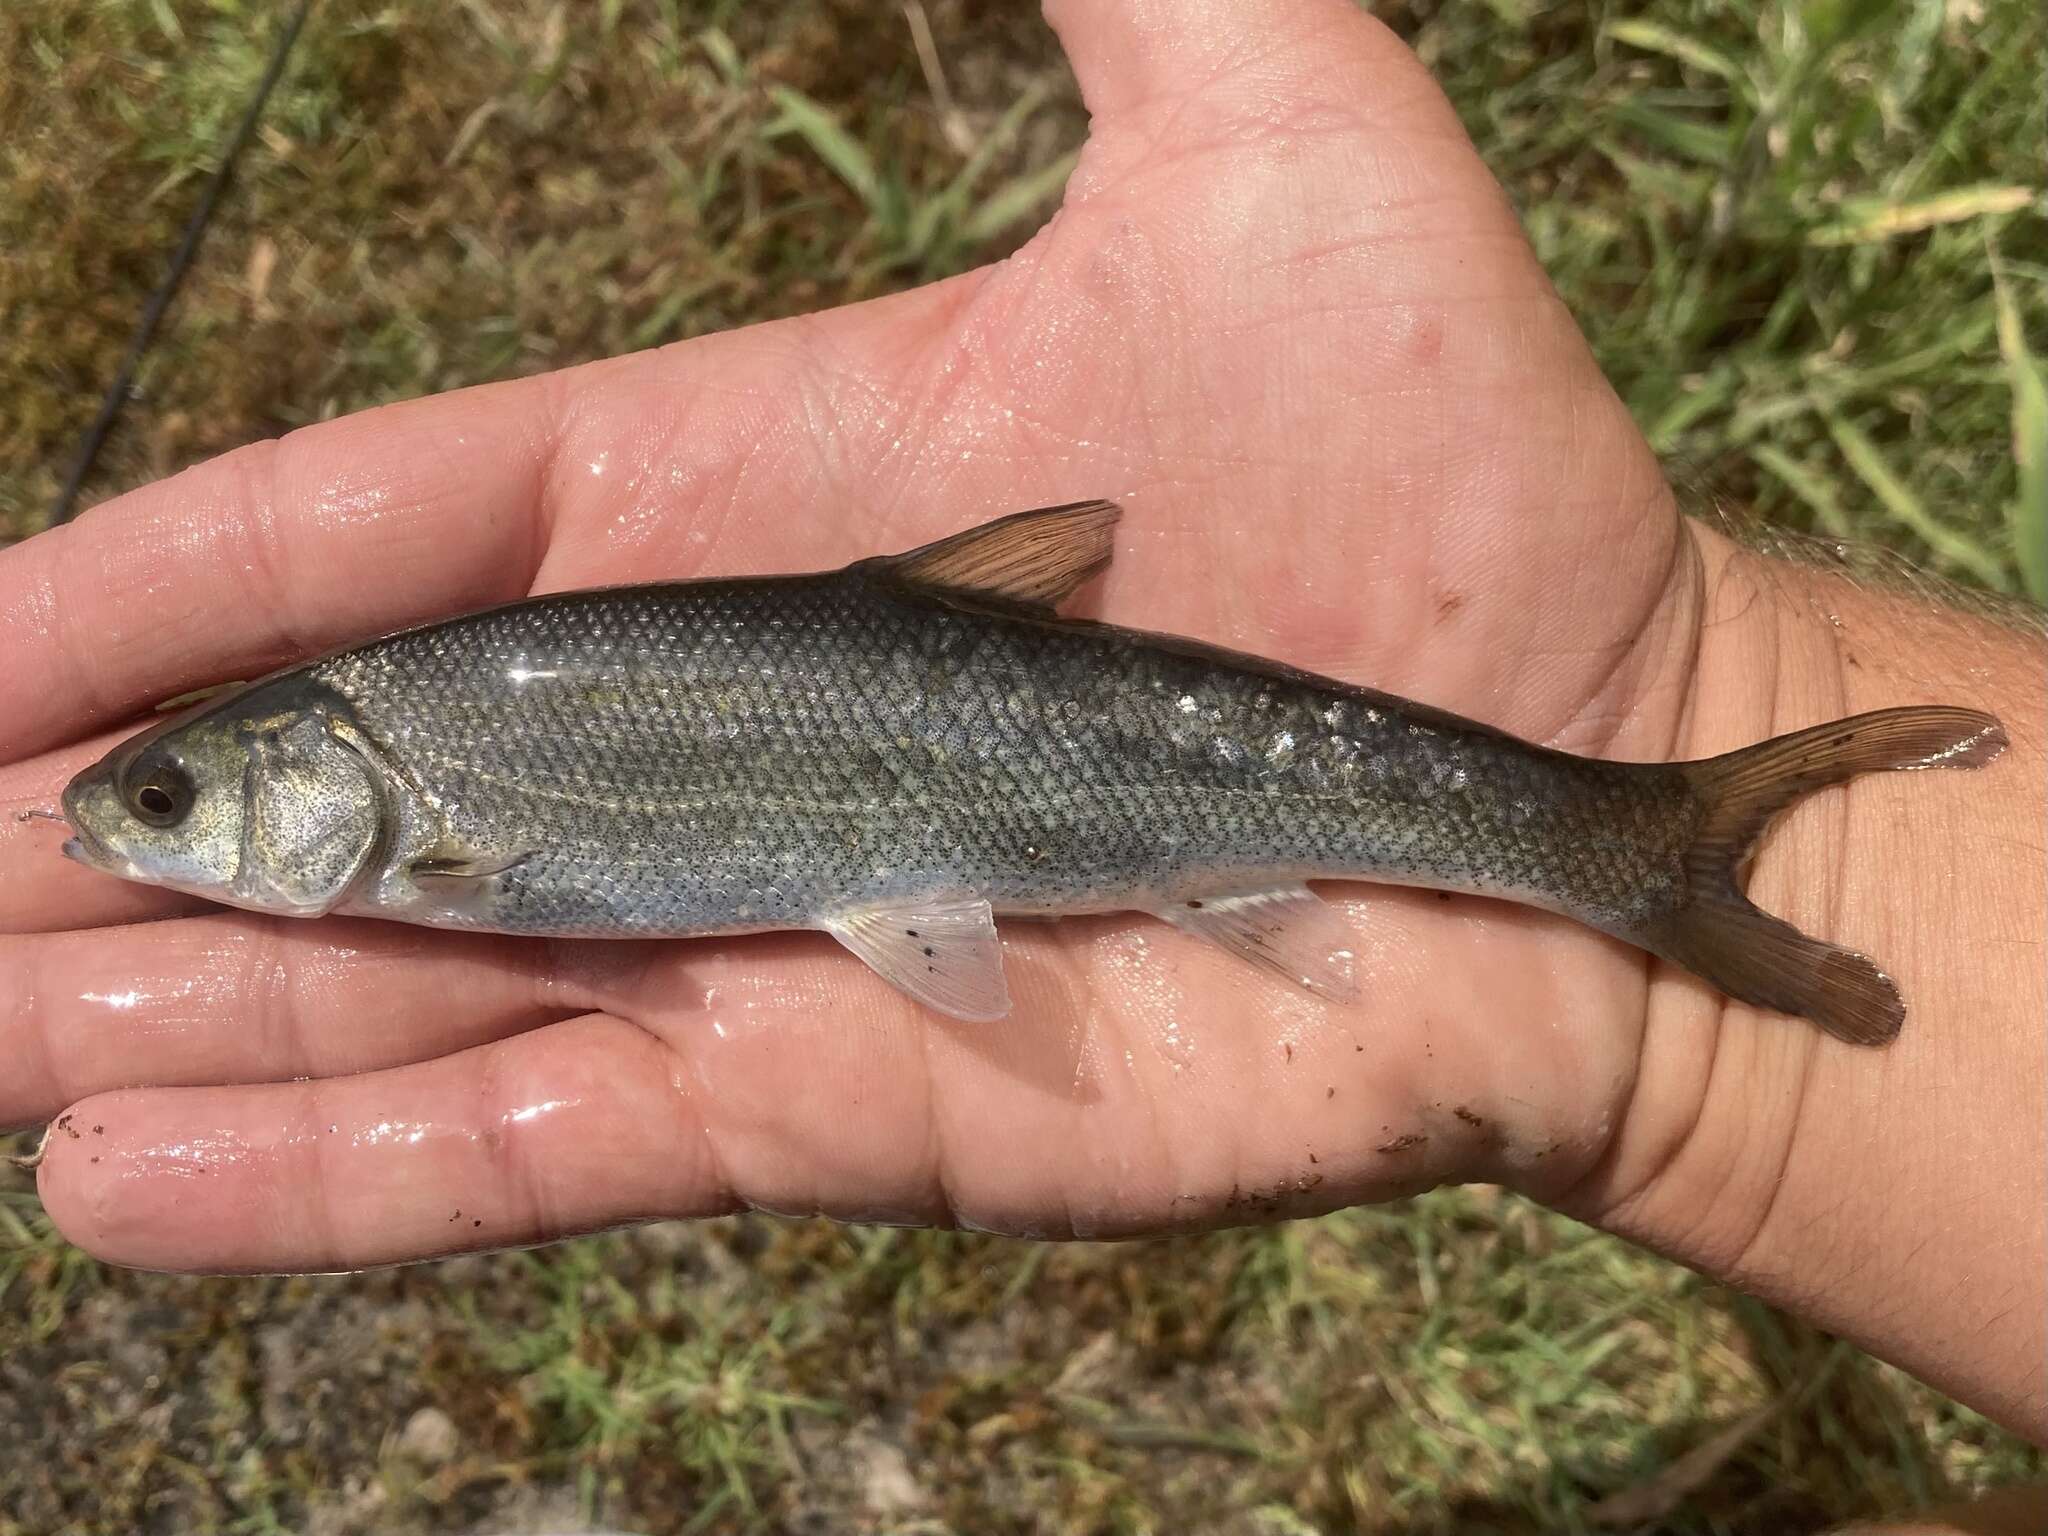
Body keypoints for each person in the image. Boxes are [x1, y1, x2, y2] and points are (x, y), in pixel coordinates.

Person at [2, 0, 2040, 1463]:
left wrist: (1689, 714)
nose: (150, 819)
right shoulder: (413, 753)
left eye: (175, 798)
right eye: (163, 800)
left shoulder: (420, 773)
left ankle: (1638, 835)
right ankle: (1641, 837)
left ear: (313, 783)